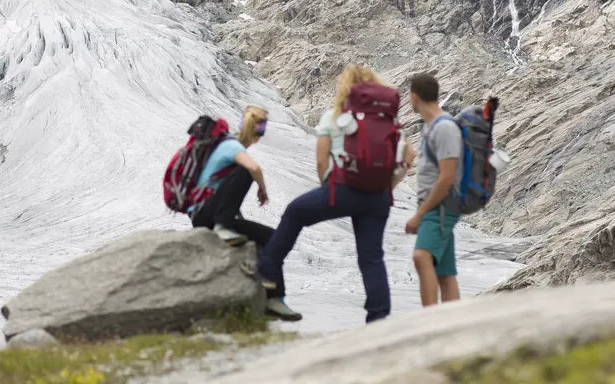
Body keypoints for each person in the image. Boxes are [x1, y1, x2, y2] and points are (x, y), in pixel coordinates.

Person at [253, 65, 414, 324]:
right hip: (378, 197)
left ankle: (267, 270)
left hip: (343, 189)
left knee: (295, 212)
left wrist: (329, 191)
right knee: (372, 258)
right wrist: (386, 188)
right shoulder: (388, 121)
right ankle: (379, 318)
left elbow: (321, 161)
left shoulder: (336, 116)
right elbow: (407, 156)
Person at [189, 106, 297, 320]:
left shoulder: (230, 147)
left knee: (272, 237)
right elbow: (254, 168)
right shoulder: (230, 145)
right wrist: (262, 189)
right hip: (205, 214)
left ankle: (274, 298)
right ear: (259, 134)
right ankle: (223, 227)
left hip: (213, 212)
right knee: (245, 173)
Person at [404, 72, 464, 307]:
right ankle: (452, 322)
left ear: (415, 97)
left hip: (440, 205)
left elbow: (447, 177)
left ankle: (429, 319)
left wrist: (420, 214)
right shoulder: (433, 127)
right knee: (444, 272)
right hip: (438, 204)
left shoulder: (444, 127)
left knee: (421, 256)